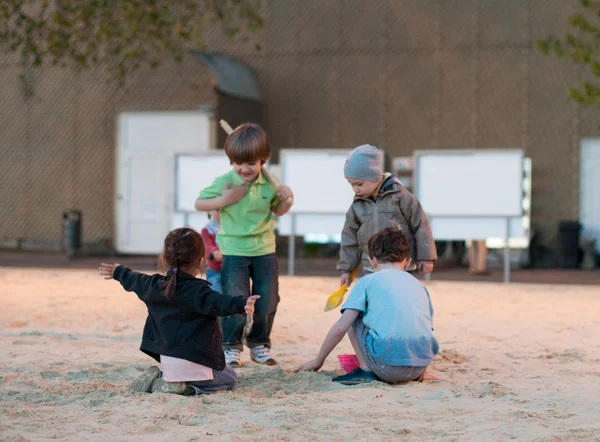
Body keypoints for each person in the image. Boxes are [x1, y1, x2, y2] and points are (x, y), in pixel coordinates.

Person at [98, 227, 259, 396]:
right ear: (200, 262)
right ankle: (187, 388)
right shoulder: (199, 292)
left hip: (171, 366)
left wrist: (119, 271)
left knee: (211, 370)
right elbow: (222, 303)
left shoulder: (153, 285)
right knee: (230, 378)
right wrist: (243, 303)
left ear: (164, 259)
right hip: (198, 367)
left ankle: (162, 377)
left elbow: (135, 279)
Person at [194, 123, 294, 368]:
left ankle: (260, 343)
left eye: (250, 163)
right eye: (238, 163)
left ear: (263, 160)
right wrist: (225, 199)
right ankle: (231, 346)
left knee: (268, 299)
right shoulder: (225, 181)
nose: (244, 169)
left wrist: (288, 200)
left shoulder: (271, 183)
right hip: (234, 252)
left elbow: (278, 210)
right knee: (234, 299)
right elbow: (199, 203)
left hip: (264, 250)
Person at [296, 227, 439, 385]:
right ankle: (418, 371)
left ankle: (365, 370)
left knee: (352, 317)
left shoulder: (367, 281)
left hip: (387, 367)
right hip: (419, 366)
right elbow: (427, 329)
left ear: (372, 261)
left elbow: (340, 329)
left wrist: (318, 360)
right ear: (407, 262)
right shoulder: (419, 286)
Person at [338, 144, 437, 287]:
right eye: (351, 185)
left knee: (400, 295)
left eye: (359, 184)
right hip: (371, 266)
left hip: (400, 265)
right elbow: (349, 238)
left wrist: (426, 257)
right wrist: (346, 270)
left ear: (374, 176)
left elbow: (421, 225)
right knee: (375, 299)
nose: (355, 189)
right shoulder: (357, 206)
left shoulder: (401, 197)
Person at [201, 209, 223, 293]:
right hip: (215, 269)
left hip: (231, 266)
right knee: (216, 291)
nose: (218, 211)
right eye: (216, 209)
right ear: (209, 211)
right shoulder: (207, 229)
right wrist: (214, 251)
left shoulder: (231, 227)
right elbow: (207, 245)